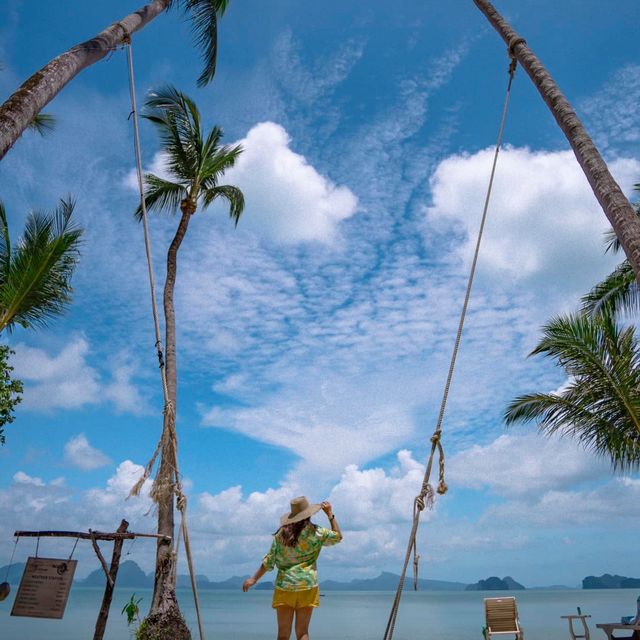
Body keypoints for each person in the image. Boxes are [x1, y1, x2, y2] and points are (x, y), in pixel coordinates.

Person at [242, 496, 342, 640]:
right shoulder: (317, 532)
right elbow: (338, 537)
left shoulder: (281, 535)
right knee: (302, 632)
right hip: (308, 585)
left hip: (285, 586)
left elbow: (269, 561)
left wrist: (253, 579)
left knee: (283, 634)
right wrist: (330, 515)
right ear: (309, 514)